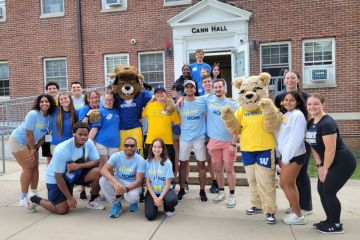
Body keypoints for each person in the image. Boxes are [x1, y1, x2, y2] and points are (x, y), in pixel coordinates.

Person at [27, 122, 104, 214]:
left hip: (74, 173)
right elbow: (58, 177)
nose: (83, 137)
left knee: (98, 171)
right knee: (62, 210)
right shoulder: (62, 149)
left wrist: (78, 166)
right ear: (74, 134)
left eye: (85, 135)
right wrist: (70, 198)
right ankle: (33, 198)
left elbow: (96, 161)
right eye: (80, 134)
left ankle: (93, 200)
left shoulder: (89, 143)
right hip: (56, 178)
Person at [306, 95, 356, 234]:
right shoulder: (311, 123)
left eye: (316, 104)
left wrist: (325, 169)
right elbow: (312, 145)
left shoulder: (327, 123)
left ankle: (335, 224)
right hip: (327, 162)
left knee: (328, 191)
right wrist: (319, 165)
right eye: (309, 104)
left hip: (342, 162)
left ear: (323, 104)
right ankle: (329, 220)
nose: (312, 107)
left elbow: (330, 149)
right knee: (322, 190)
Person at [274, 71, 313, 215]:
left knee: (301, 174)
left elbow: (311, 116)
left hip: (301, 141)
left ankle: (306, 206)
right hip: (285, 142)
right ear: (284, 80)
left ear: (298, 79)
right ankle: (294, 204)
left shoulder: (306, 97)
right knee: (289, 179)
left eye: (293, 77)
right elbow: (276, 117)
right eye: (287, 77)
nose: (290, 80)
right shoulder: (279, 97)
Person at [8, 94, 56, 208]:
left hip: (32, 144)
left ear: (51, 103)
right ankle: (23, 198)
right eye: (42, 101)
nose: (44, 103)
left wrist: (36, 147)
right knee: (29, 167)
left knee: (35, 166)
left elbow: (45, 136)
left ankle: (33, 193)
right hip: (18, 141)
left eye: (47, 101)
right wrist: (33, 149)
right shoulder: (33, 114)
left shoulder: (50, 118)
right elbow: (28, 133)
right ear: (38, 104)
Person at [204, 79, 238, 207]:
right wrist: (180, 99)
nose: (218, 89)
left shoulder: (232, 104)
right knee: (217, 168)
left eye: (220, 87)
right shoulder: (208, 99)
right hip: (213, 140)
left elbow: (237, 125)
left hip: (228, 141)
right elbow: (193, 100)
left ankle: (232, 195)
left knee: (229, 169)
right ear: (213, 88)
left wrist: (234, 144)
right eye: (216, 87)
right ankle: (221, 192)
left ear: (225, 88)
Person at [276, 91, 307, 225]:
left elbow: (296, 138)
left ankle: (298, 216)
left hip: (294, 155)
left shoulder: (298, 115)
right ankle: (296, 213)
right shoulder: (286, 114)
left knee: (284, 184)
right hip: (286, 155)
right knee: (291, 184)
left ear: (298, 102)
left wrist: (286, 158)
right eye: (286, 100)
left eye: (292, 100)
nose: (288, 102)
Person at [177, 80, 208, 202]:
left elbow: (213, 100)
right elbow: (168, 107)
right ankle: (181, 189)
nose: (189, 89)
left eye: (191, 87)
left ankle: (202, 191)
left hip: (199, 137)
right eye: (187, 87)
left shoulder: (202, 101)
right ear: (184, 90)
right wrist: (180, 98)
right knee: (183, 164)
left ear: (195, 89)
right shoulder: (180, 103)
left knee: (201, 164)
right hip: (185, 138)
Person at [99, 137, 145, 218]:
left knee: (132, 197)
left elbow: (139, 181)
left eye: (132, 146)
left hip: (132, 183)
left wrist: (126, 189)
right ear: (123, 146)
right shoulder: (116, 156)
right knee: (103, 180)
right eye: (126, 145)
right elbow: (103, 170)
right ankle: (116, 204)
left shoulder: (140, 160)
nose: (129, 148)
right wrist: (115, 182)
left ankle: (133, 203)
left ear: (136, 147)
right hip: (119, 180)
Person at [142, 84, 180, 176]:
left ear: (165, 94)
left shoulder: (170, 107)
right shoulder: (150, 106)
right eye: (157, 93)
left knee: (168, 164)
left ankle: (170, 183)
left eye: (162, 92)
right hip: (151, 140)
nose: (160, 94)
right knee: (149, 164)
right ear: (154, 95)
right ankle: (150, 183)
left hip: (166, 141)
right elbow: (142, 116)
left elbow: (177, 122)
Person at [144, 138, 178, 220]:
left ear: (163, 149)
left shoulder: (167, 163)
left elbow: (168, 183)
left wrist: (160, 198)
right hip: (153, 191)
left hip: (165, 191)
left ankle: (168, 207)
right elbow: (148, 182)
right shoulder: (147, 162)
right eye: (155, 147)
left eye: (159, 147)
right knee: (150, 216)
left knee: (171, 200)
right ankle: (155, 205)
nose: (157, 149)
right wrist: (155, 198)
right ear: (151, 148)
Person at [78, 89, 101, 199]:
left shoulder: (100, 109)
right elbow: (80, 125)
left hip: (97, 140)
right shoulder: (85, 109)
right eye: (91, 98)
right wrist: (88, 115)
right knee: (85, 163)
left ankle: (93, 190)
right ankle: (82, 190)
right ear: (88, 99)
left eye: (96, 97)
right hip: (86, 140)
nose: (94, 99)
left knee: (94, 165)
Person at [90, 90, 120, 168]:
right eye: (106, 99)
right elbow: (94, 129)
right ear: (103, 99)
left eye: (110, 100)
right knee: (104, 166)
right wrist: (88, 142)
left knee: (113, 167)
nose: (108, 102)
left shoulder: (117, 111)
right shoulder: (98, 112)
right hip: (102, 143)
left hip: (115, 144)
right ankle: (100, 180)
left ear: (113, 100)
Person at [43, 82, 60, 162]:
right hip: (47, 131)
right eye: (49, 89)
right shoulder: (44, 102)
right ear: (46, 91)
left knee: (57, 153)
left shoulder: (61, 101)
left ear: (57, 90)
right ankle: (48, 172)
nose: (52, 90)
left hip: (57, 130)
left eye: (54, 88)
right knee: (48, 154)